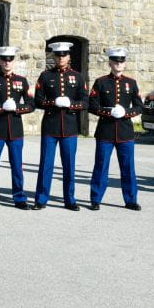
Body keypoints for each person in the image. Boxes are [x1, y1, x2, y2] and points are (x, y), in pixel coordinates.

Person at [33, 41, 89, 210]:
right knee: (46, 164)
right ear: (53, 57)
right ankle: (41, 199)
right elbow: (38, 100)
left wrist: (71, 104)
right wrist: (52, 102)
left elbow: (85, 101)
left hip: (70, 127)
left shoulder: (78, 77)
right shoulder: (45, 76)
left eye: (64, 55)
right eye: (58, 55)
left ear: (69, 57)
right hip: (50, 126)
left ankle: (70, 199)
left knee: (69, 165)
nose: (61, 58)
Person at [88, 47, 143, 211]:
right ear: (110, 63)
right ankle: (96, 199)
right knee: (101, 166)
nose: (119, 64)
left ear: (124, 64)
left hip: (125, 132)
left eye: (122, 61)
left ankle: (131, 199)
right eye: (116, 61)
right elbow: (92, 105)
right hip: (105, 130)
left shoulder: (131, 83)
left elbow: (139, 106)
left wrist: (126, 112)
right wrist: (108, 111)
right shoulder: (101, 82)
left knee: (128, 168)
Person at [0, 46, 33, 210]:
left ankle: (19, 197)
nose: (7, 62)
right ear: (0, 62)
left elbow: (31, 104)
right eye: (4, 59)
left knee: (17, 165)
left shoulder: (22, 81)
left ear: (13, 61)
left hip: (15, 129)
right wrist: (0, 108)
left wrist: (17, 108)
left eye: (10, 59)